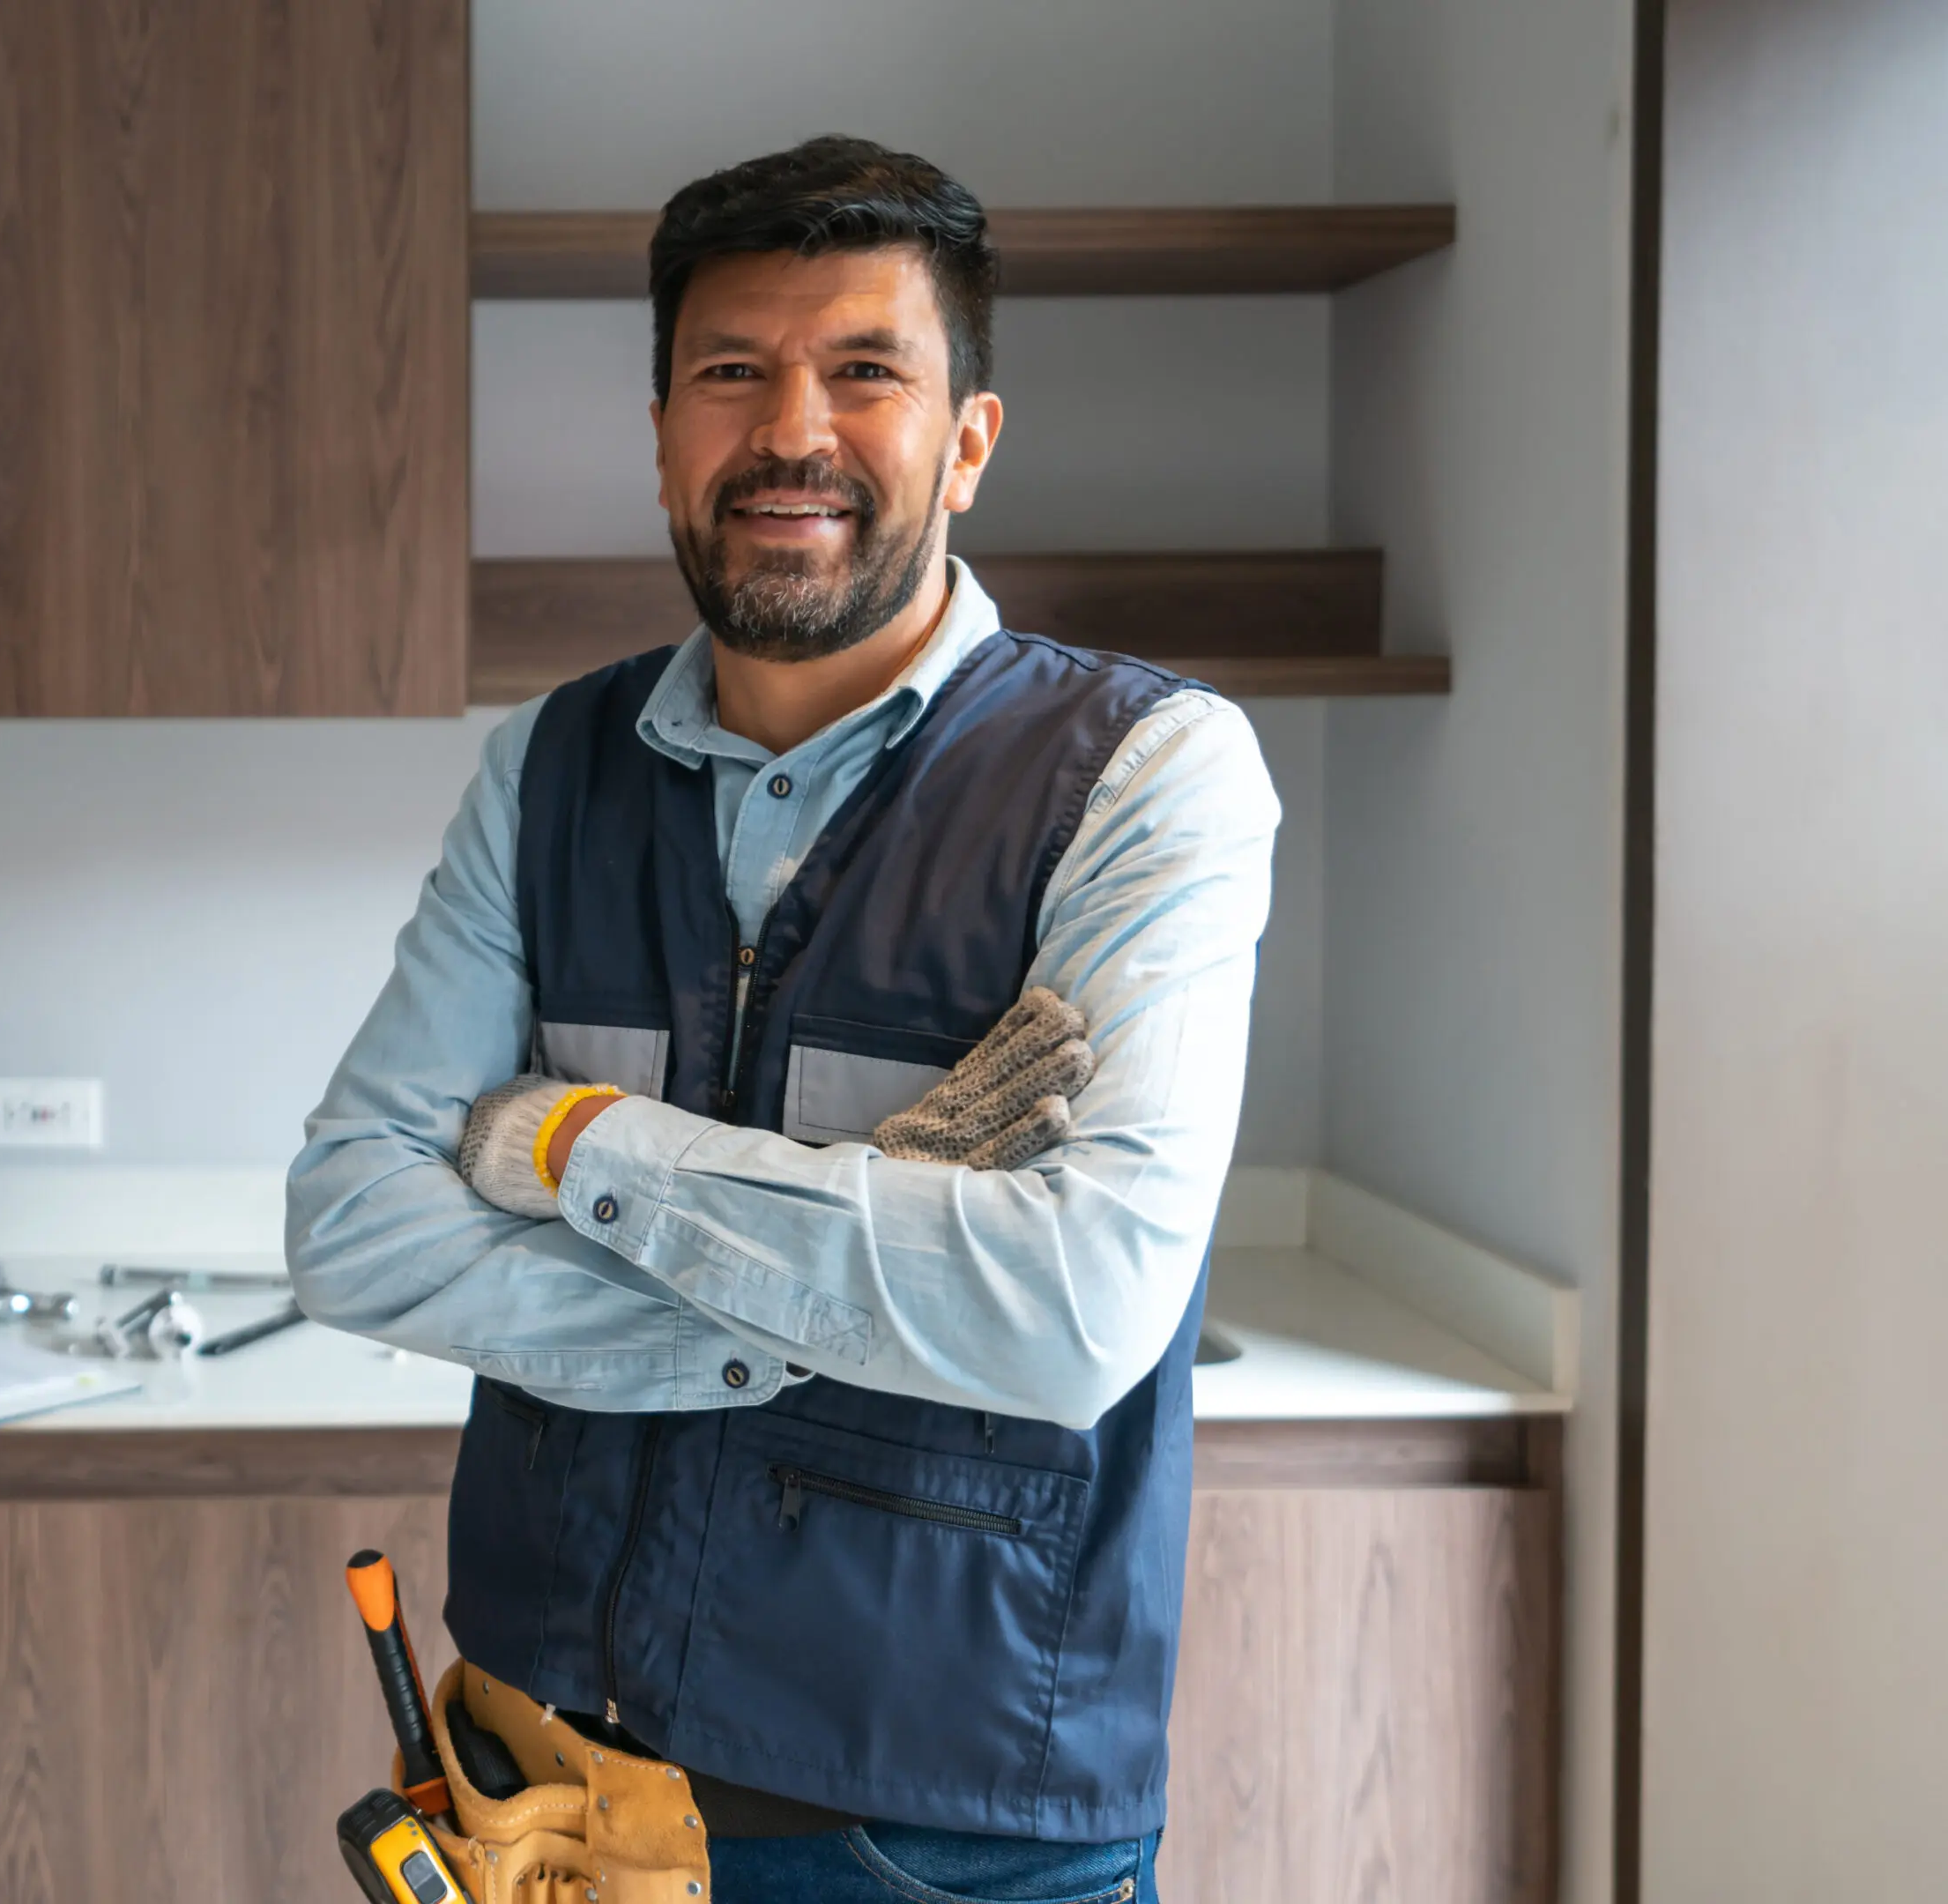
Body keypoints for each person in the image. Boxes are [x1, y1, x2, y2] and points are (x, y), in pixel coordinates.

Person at [286, 136, 1278, 1904]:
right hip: (532, 1790)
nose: (787, 432)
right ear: (663, 427)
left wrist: (569, 1146)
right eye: (729, 374)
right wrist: (859, 1278)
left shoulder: (1141, 775)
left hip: (931, 1838)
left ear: (966, 440)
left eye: (864, 373)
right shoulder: (546, 771)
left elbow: (1067, 1312)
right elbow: (352, 1227)